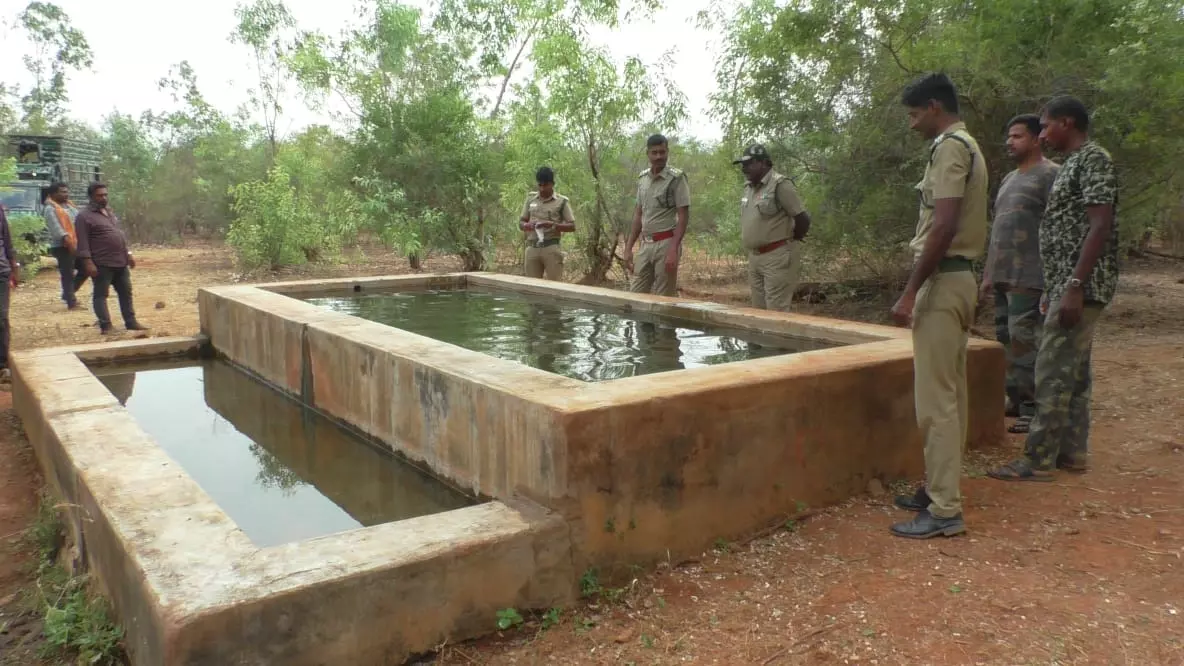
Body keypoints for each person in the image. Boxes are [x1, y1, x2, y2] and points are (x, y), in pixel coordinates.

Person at [988, 96, 1118, 481]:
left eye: (1045, 127)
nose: (1042, 134)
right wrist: (1056, 285)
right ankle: (1072, 453)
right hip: (1064, 282)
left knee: (1050, 371)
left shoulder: (1093, 159)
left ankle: (1038, 459)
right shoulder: (1074, 165)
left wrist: (1075, 285)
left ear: (1067, 122)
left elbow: (1099, 225)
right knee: (1075, 374)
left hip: (1080, 284)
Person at [889, 73, 989, 539]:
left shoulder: (951, 147)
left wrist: (912, 289)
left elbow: (943, 225)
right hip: (959, 278)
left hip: (944, 280)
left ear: (933, 106)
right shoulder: (969, 146)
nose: (911, 125)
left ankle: (945, 510)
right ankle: (938, 489)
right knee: (952, 394)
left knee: (935, 402)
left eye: (913, 115)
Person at [980, 116, 1060, 434]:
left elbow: (1058, 228)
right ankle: (1015, 397)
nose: (1009, 142)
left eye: (1017, 136)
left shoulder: (1051, 175)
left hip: (1030, 275)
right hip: (1002, 274)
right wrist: (987, 274)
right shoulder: (1008, 179)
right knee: (1004, 340)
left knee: (1023, 340)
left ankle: (1032, 407)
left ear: (1037, 139)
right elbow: (999, 228)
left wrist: (1054, 278)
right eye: (1008, 136)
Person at [733, 143, 812, 312]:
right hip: (755, 257)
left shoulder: (780, 184)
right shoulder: (748, 187)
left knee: (776, 312)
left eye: (749, 164)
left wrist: (792, 239)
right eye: (743, 165)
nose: (744, 168)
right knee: (758, 312)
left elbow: (802, 217)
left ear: (763, 163)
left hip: (776, 257)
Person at [75, 183, 148, 334]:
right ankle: (106, 326)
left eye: (105, 194)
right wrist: (88, 262)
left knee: (126, 292)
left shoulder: (109, 212)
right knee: (101, 294)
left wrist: (128, 254)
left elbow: (119, 235)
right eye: (99, 195)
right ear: (91, 197)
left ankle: (131, 322)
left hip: (120, 261)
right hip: (101, 263)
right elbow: (82, 242)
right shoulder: (84, 217)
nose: (103, 198)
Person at [624, 134, 690, 296]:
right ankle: (643, 323)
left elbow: (683, 216)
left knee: (663, 298)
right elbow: (638, 215)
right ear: (648, 154)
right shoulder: (643, 178)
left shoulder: (676, 178)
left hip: (666, 243)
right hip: (645, 244)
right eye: (654, 152)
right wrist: (628, 248)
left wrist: (674, 249)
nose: (659, 156)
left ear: (667, 152)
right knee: (636, 296)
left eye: (662, 152)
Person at [519, 166, 576, 281]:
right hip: (532, 248)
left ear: (552, 184)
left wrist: (551, 225)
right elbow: (521, 222)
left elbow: (572, 226)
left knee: (554, 286)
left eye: (545, 185)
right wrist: (527, 225)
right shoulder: (530, 199)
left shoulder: (561, 201)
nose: (542, 188)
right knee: (531, 288)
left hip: (551, 248)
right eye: (540, 185)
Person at [42, 182, 88, 309]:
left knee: (85, 268)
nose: (65, 194)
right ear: (52, 194)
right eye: (62, 192)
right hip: (62, 246)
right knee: (67, 274)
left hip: (75, 243)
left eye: (66, 191)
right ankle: (71, 302)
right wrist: (69, 243)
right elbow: (57, 230)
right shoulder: (50, 209)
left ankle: (68, 294)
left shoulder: (69, 206)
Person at [0, 205, 19, 379]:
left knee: (1, 317)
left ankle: (3, 364)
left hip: (1, 272)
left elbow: (7, 238)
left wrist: (13, 265)